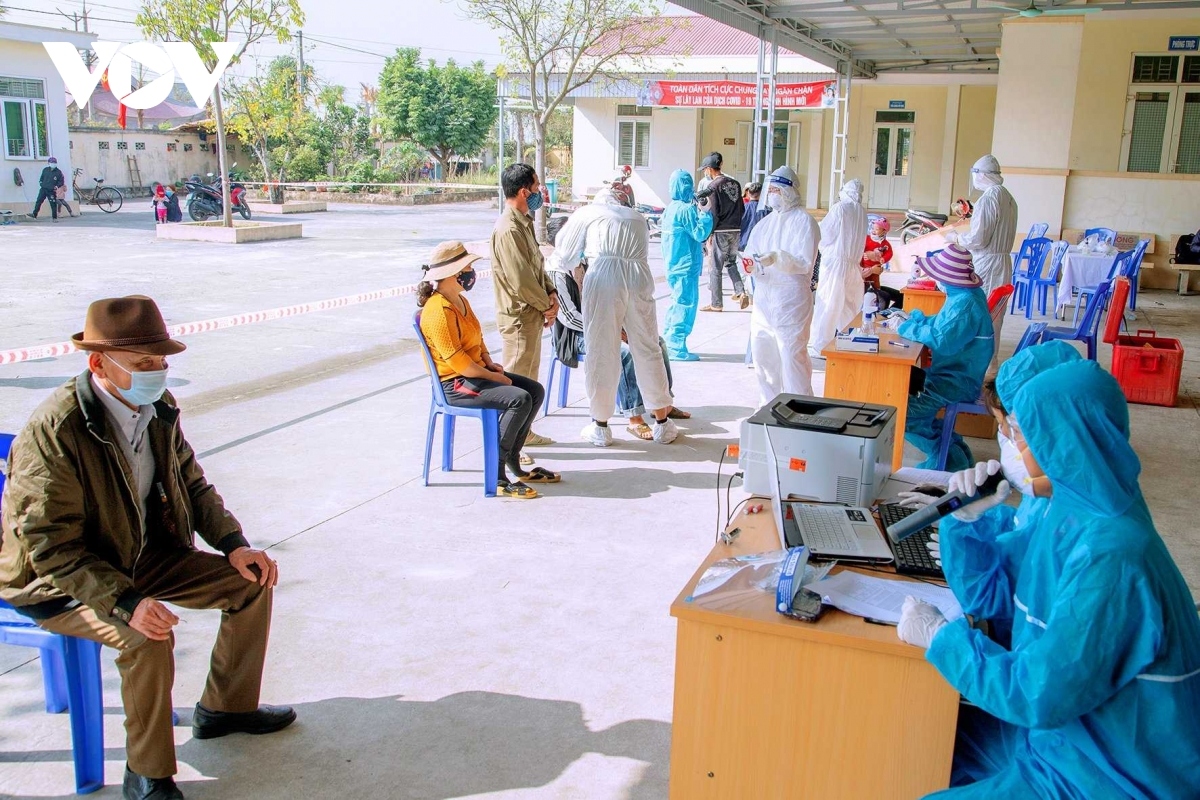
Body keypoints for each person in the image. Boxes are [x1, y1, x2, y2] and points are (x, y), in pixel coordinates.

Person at [0, 296, 294, 800]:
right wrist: (125, 603)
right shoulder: (57, 429)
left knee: (250, 583)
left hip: (141, 553)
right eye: (143, 363)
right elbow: (47, 543)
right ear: (98, 363)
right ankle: (148, 773)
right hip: (61, 580)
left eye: (161, 361)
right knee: (147, 638)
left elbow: (192, 483)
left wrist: (233, 544)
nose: (157, 371)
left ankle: (225, 708)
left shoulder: (159, 406)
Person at [897, 353, 1200, 800]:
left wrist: (946, 640)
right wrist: (966, 526)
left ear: (1067, 444)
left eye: (1021, 436)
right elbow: (999, 605)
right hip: (1066, 740)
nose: (1015, 450)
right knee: (914, 740)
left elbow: (1037, 695)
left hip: (1107, 777)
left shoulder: (1113, 559)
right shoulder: (1070, 512)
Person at [899, 342, 1077, 647]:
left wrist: (944, 640)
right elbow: (1021, 535)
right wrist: (969, 519)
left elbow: (1034, 686)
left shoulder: (1084, 535)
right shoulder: (1056, 499)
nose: (1005, 440)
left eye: (1014, 431)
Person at [418, 241, 555, 498]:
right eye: (467, 267)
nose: (471, 272)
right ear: (450, 274)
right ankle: (498, 475)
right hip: (455, 384)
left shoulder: (459, 301)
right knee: (519, 399)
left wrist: (489, 362)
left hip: (474, 373)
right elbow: (458, 362)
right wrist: (494, 377)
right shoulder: (438, 311)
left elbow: (477, 339)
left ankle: (514, 461)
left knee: (534, 390)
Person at [553, 190, 678, 446]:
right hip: (639, 275)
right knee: (647, 346)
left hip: (605, 275)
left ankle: (600, 426)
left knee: (602, 348)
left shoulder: (588, 212)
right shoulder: (636, 217)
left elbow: (563, 254)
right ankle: (663, 424)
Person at [897, 245, 994, 471]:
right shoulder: (966, 295)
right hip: (955, 374)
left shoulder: (965, 303)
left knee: (904, 411)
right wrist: (916, 320)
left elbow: (943, 340)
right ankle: (953, 454)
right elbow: (943, 323)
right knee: (912, 404)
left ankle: (947, 459)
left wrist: (906, 327)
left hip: (955, 382)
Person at [490, 163, 559, 452]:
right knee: (515, 386)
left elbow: (536, 267)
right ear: (522, 191)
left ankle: (524, 433)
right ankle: (505, 447)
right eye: (535, 187)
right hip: (518, 317)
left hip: (531, 313)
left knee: (528, 380)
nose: (539, 193)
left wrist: (551, 292)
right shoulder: (508, 229)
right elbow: (520, 280)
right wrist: (546, 305)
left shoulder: (524, 222)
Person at [744, 166, 820, 403]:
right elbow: (750, 253)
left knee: (791, 356)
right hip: (765, 298)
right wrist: (752, 267)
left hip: (791, 299)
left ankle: (800, 410)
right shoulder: (765, 223)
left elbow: (805, 262)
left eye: (778, 189)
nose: (773, 194)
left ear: (789, 191)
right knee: (763, 355)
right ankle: (769, 408)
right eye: (771, 189)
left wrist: (777, 257)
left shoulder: (804, 222)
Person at [660, 168, 714, 361]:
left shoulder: (670, 208)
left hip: (673, 265)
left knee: (676, 303)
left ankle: (668, 341)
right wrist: (705, 214)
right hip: (685, 266)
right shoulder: (685, 210)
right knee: (685, 305)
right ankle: (676, 347)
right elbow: (700, 233)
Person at [810, 178, 868, 355]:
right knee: (849, 307)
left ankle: (821, 346)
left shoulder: (840, 208)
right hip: (853, 266)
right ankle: (850, 342)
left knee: (827, 304)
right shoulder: (862, 212)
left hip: (835, 263)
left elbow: (825, 234)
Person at [953, 155, 1018, 297]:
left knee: (982, 310)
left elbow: (979, 239)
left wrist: (957, 239)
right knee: (995, 312)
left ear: (981, 175)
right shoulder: (1006, 195)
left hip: (988, 264)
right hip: (1002, 264)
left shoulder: (988, 199)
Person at [695, 152, 747, 312]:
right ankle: (740, 291)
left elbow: (714, 212)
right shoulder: (736, 183)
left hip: (721, 230)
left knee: (715, 268)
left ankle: (716, 303)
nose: (705, 172)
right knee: (731, 262)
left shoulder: (713, 186)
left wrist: (710, 233)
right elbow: (742, 207)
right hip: (736, 229)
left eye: (705, 169)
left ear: (710, 169)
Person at [861, 216, 903, 309]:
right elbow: (856, 273)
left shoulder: (885, 244)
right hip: (862, 283)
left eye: (876, 229)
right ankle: (879, 317)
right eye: (873, 229)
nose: (873, 231)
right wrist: (872, 270)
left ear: (884, 231)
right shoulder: (865, 240)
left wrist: (882, 260)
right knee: (885, 297)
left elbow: (889, 253)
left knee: (902, 296)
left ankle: (887, 316)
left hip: (874, 275)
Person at [29, 156, 66, 222]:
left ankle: (54, 218)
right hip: (43, 189)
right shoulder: (45, 170)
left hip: (51, 190)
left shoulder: (58, 172)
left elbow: (61, 181)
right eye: (51, 162)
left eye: (54, 162)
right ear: (48, 163)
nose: (53, 164)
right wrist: (41, 183)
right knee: (39, 201)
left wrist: (57, 186)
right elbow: (41, 178)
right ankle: (34, 214)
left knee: (53, 204)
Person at [738, 182, 769, 251]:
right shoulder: (767, 211)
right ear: (762, 194)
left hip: (741, 246)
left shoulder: (741, 209)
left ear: (748, 193)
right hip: (759, 247)